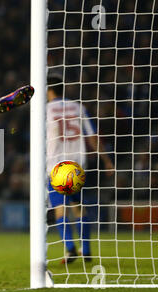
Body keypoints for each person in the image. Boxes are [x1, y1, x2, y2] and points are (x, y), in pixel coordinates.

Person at [46, 75, 114, 264]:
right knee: (79, 208)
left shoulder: (45, 110)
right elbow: (93, 137)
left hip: (56, 165)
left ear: (48, 90)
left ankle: (70, 250)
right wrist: (106, 160)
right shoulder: (79, 107)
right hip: (77, 165)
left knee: (61, 209)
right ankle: (86, 250)